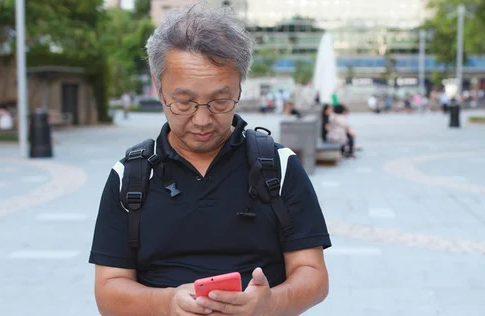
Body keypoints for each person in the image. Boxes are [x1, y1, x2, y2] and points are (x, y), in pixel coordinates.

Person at [88, 4, 331, 316]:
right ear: (158, 88)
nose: (202, 120)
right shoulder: (131, 176)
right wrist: (167, 303)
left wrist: (269, 304)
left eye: (220, 100)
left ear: (240, 87)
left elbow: (313, 274)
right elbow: (108, 289)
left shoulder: (279, 167)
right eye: (184, 102)